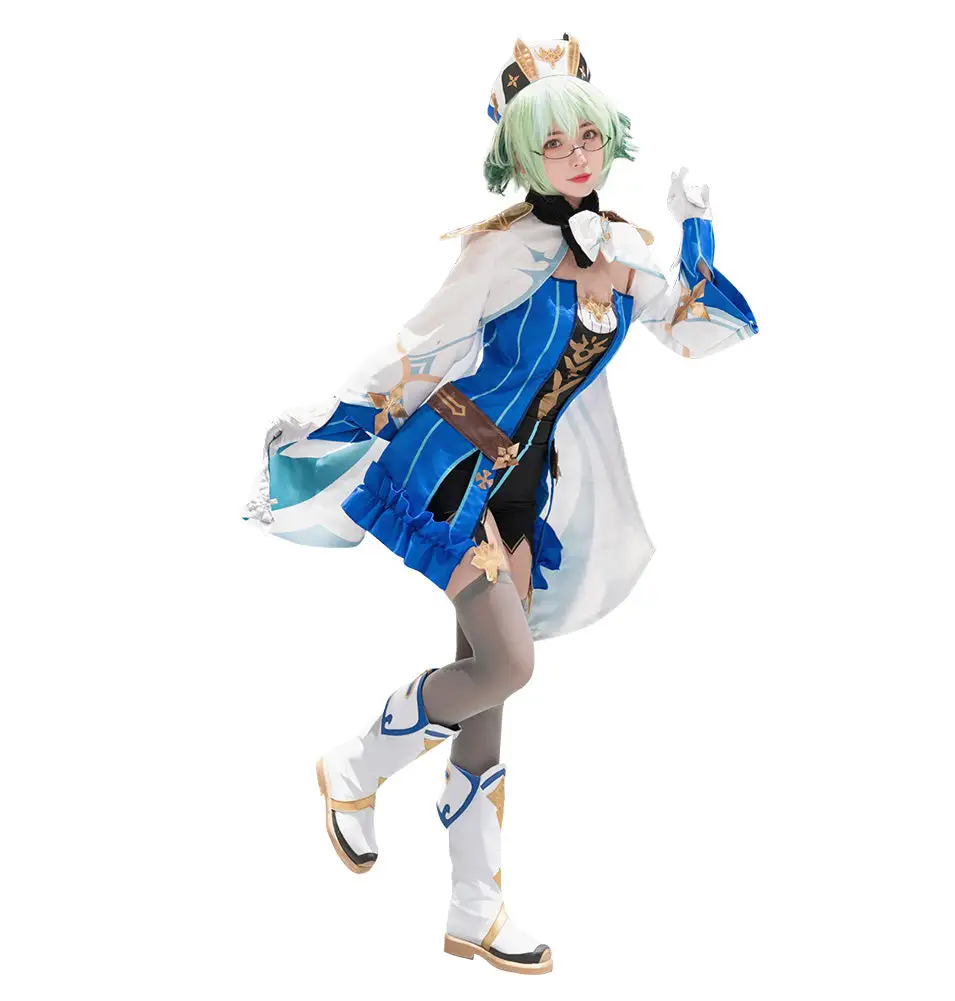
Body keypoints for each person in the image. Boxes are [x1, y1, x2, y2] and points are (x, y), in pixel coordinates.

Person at [244, 34, 758, 976]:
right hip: (452, 469)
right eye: (552, 142)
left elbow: (693, 329)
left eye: (586, 136)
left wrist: (694, 234)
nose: (575, 155)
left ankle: (474, 904)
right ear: (521, 154)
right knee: (510, 663)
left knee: (487, 687)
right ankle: (355, 764)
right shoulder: (501, 252)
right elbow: (416, 348)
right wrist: (331, 414)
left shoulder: (625, 249)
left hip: (526, 490)